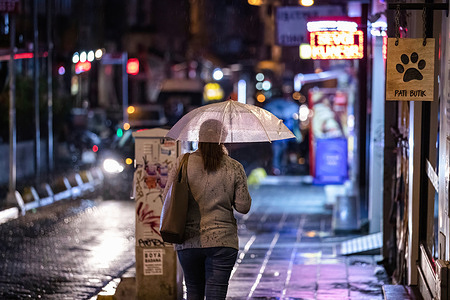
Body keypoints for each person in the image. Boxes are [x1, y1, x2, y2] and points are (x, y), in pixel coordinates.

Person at [162, 119, 252, 300]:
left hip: (188, 240)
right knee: (216, 293)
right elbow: (243, 206)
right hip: (223, 241)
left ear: (199, 137)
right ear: (223, 138)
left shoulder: (183, 162)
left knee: (194, 291)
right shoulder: (234, 167)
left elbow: (167, 197)